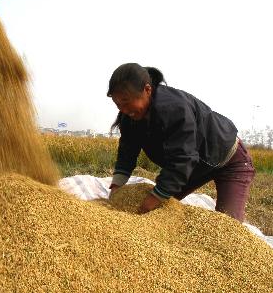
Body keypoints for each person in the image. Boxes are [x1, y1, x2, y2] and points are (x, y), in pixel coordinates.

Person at [108, 63, 255, 221]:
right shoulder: (129, 117)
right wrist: (116, 189)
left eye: (126, 101)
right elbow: (127, 152)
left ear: (147, 90)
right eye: (118, 104)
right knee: (159, 212)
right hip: (191, 168)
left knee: (227, 225)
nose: (123, 109)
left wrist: (149, 203)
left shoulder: (174, 108)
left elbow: (182, 158)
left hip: (228, 160)